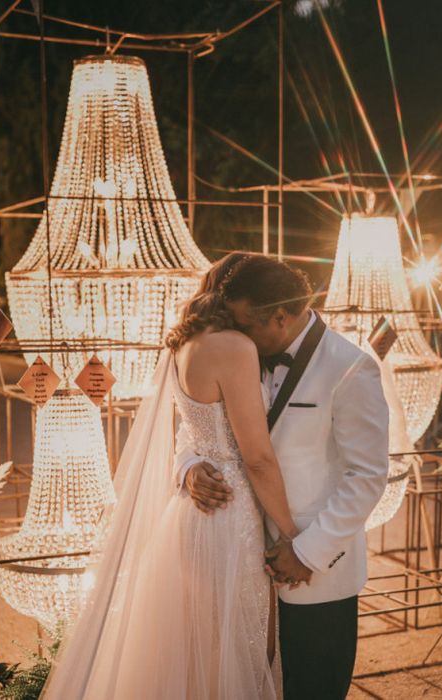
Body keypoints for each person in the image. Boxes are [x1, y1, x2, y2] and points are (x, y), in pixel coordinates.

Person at [42, 252, 295, 699]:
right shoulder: (236, 348)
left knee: (201, 651)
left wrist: (190, 466)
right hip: (233, 517)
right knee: (243, 651)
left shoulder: (185, 344)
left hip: (192, 518)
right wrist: (291, 535)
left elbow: (193, 428)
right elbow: (256, 457)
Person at [176, 254, 390, 699]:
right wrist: (189, 466)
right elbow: (199, 423)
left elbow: (367, 477)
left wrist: (306, 551)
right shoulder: (241, 351)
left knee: (313, 689)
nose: (234, 334)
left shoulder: (351, 367)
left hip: (315, 573)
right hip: (240, 558)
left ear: (279, 316)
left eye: (243, 325)